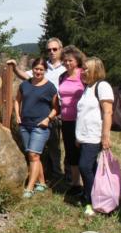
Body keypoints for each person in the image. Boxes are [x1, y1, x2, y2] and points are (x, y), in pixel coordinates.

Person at [6, 37, 66, 180]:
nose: (51, 52)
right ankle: (44, 177)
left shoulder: (66, 67)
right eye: (49, 49)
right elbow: (26, 76)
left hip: (59, 111)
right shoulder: (43, 65)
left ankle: (59, 175)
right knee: (37, 150)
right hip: (40, 113)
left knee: (56, 146)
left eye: (54, 49)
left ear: (61, 50)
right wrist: (14, 67)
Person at [14, 57, 60, 198]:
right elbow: (17, 100)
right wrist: (17, 115)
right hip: (25, 125)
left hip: (41, 126)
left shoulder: (50, 87)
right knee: (33, 155)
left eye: (41, 69)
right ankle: (41, 183)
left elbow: (56, 108)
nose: (38, 72)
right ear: (32, 69)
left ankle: (29, 188)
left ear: (45, 71)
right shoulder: (25, 85)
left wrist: (48, 119)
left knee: (33, 155)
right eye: (36, 69)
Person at [75, 57, 113, 217]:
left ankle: (91, 201)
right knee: (91, 169)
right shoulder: (87, 88)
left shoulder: (102, 86)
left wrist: (105, 136)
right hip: (83, 137)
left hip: (94, 136)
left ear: (95, 71)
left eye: (86, 69)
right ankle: (96, 196)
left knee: (84, 167)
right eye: (82, 69)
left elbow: (107, 112)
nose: (82, 72)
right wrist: (78, 136)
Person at [58, 45, 87, 194]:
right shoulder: (62, 76)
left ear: (77, 60)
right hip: (66, 120)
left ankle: (88, 183)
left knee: (83, 152)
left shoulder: (84, 75)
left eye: (70, 60)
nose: (67, 63)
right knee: (71, 153)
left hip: (82, 120)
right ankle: (76, 184)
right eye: (65, 61)